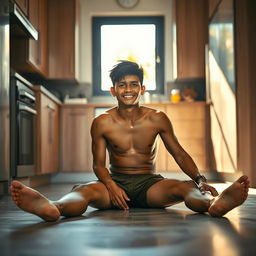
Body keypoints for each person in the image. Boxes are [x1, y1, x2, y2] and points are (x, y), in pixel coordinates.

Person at [10, 61, 249, 221]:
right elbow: (99, 165)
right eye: (122, 84)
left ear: (142, 88)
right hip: (115, 183)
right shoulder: (102, 121)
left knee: (184, 188)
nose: (128, 89)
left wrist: (199, 179)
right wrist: (112, 186)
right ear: (113, 90)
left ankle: (213, 204)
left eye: (134, 84)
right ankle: (54, 207)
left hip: (150, 185)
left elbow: (179, 153)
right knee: (82, 190)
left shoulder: (157, 118)